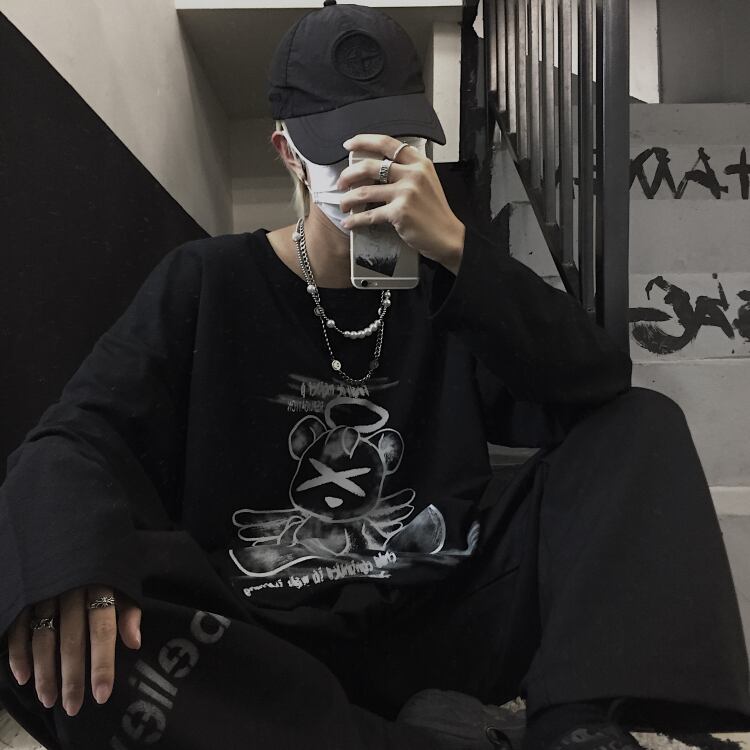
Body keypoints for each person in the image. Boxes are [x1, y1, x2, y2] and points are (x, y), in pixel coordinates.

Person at [1, 2, 749, 749]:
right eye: (342, 149)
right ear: (289, 154)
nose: (369, 173)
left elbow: (596, 385)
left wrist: (457, 249)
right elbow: (78, 435)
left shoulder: (450, 287)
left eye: (395, 147)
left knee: (643, 423)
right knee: (47, 588)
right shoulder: (206, 280)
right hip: (264, 639)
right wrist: (69, 564)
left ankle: (575, 728)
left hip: (439, 609)